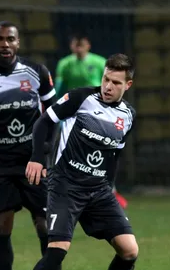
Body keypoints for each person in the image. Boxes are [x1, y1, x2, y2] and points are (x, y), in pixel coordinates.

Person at [26, 53, 139, 270]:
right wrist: (37, 157)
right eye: (106, 79)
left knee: (129, 251)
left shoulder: (128, 116)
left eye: (115, 83)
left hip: (98, 191)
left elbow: (114, 155)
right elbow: (44, 121)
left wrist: (109, 186)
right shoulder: (81, 98)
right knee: (57, 251)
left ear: (128, 84)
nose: (108, 86)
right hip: (66, 186)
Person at [0, 21, 59, 270]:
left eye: (10, 39)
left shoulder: (37, 72)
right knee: (1, 225)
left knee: (45, 225)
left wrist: (43, 153)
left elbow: (53, 115)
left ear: (18, 42)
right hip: (0, 164)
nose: (5, 44)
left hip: (33, 162)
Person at [55, 33, 128, 208]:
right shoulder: (65, 64)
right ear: (72, 46)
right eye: (76, 44)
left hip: (100, 114)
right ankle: (62, 187)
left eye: (82, 44)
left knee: (105, 152)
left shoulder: (99, 62)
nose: (79, 48)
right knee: (67, 151)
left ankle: (111, 190)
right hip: (74, 114)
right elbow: (59, 90)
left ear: (88, 45)